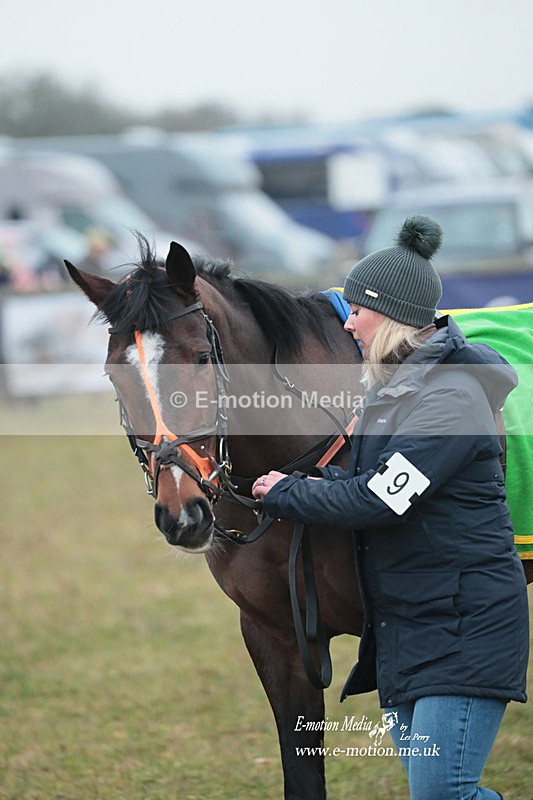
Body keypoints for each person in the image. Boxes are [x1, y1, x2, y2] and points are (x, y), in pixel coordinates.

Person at [252, 215, 529, 800]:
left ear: (394, 315)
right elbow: (360, 478)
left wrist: (283, 492)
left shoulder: (451, 398)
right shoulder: (390, 394)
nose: (347, 321)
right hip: (410, 633)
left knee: (444, 793)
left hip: (464, 627)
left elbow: (381, 497)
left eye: (359, 309)